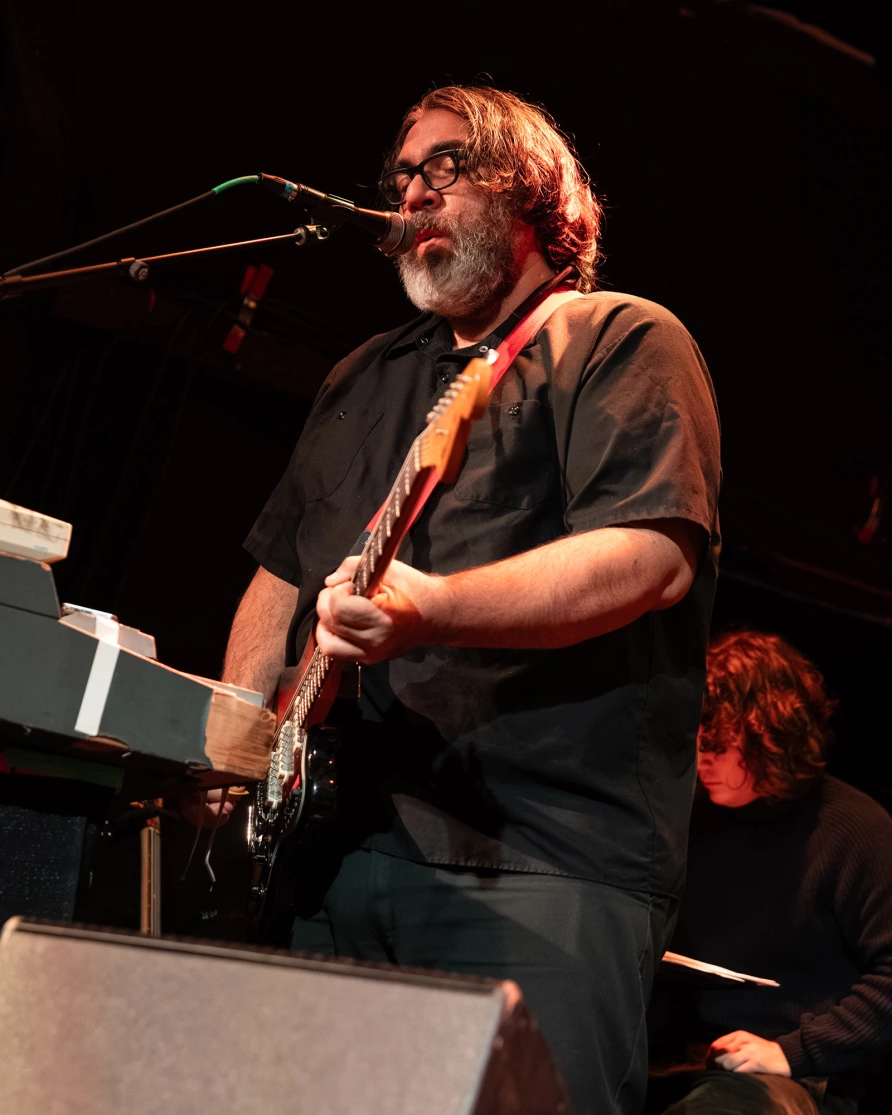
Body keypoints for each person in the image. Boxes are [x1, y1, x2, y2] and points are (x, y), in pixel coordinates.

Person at [217, 85, 721, 1115]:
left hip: (544, 862)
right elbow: (280, 573)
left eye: (442, 167)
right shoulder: (364, 372)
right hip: (337, 850)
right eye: (400, 174)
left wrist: (432, 606)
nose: (408, 192)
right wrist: (236, 738)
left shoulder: (618, 338)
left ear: (530, 192)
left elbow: (649, 555)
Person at [647, 629, 892, 1115]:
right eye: (699, 740)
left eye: (718, 742)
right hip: (664, 1056)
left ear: (772, 736)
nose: (703, 758)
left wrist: (793, 1052)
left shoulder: (855, 829)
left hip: (791, 1073)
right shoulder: (688, 814)